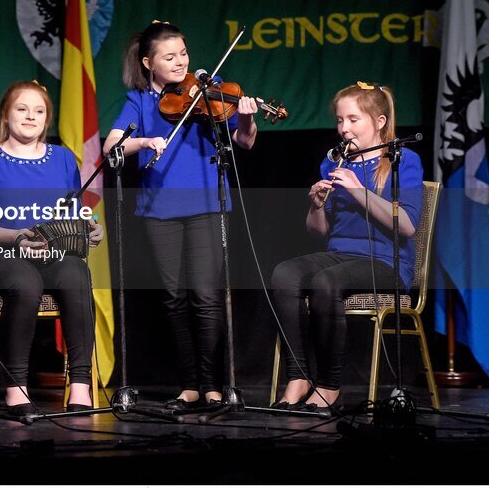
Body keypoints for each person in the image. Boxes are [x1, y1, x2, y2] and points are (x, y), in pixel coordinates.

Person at [103, 21, 258, 410]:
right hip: (159, 210)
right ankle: (188, 384)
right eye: (169, 57)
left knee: (206, 296)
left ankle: (212, 384)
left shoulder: (208, 89)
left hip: (207, 204)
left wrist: (247, 117)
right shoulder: (138, 100)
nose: (179, 62)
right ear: (148, 62)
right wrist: (143, 141)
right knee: (174, 299)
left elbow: (245, 141)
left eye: (183, 54)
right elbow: (111, 147)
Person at [270, 82, 423, 411]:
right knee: (285, 274)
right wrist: (316, 206)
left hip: (387, 264)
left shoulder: (402, 160)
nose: (344, 128)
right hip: (340, 254)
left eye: (353, 120)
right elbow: (319, 233)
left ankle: (328, 386)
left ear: (379, 121)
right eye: (340, 120)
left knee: (328, 282)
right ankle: (298, 376)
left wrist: (358, 191)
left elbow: (408, 226)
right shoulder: (335, 163)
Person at [0, 81, 103, 415]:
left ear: (48, 118)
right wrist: (17, 237)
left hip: (52, 255)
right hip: (0, 258)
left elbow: (73, 216)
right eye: (22, 109)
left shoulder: (63, 160)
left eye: (39, 111)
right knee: (25, 282)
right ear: (5, 114)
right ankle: (16, 388)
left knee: (76, 272)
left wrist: (88, 230)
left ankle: (80, 386)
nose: (31, 117)